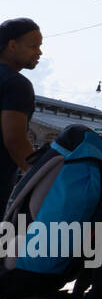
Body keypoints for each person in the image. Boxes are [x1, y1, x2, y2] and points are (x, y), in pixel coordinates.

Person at [0, 17, 40, 208]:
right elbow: (14, 139)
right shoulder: (16, 84)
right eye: (34, 46)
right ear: (12, 45)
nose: (39, 52)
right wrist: (38, 176)